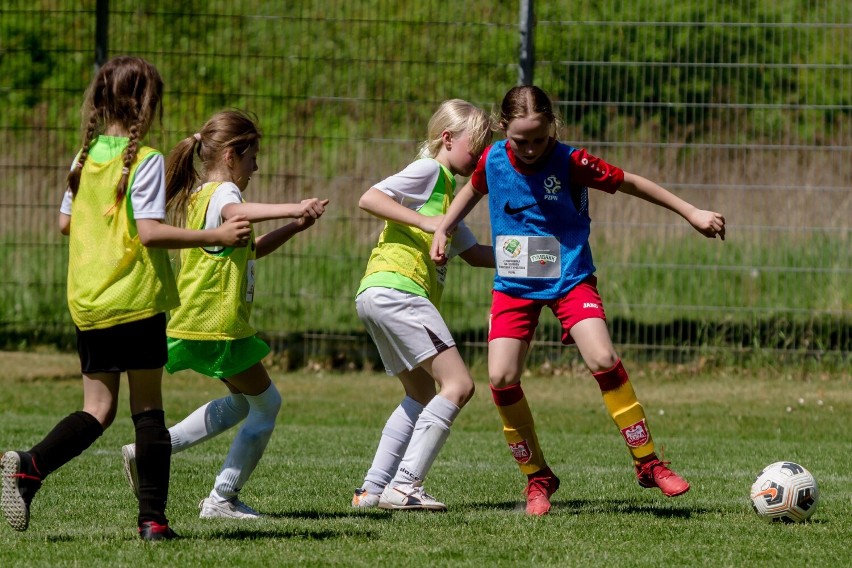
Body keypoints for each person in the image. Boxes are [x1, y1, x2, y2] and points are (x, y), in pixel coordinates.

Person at [431, 85, 726, 516]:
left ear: (553, 125)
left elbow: (633, 183)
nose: (531, 149)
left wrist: (691, 212)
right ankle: (538, 477)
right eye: (520, 140)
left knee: (603, 358)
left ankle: (648, 463)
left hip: (570, 277)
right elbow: (471, 191)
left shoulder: (571, 161)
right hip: (515, 283)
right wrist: (443, 227)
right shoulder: (493, 159)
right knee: (500, 377)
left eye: (539, 137)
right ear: (502, 130)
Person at [0, 56, 252, 540]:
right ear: (146, 103)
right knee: (148, 411)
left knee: (97, 409)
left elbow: (65, 223)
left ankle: (29, 467)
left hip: (90, 300)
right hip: (134, 299)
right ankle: (153, 520)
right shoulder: (145, 159)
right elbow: (152, 233)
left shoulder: (84, 158)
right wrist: (214, 234)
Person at [120, 109, 328, 520]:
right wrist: (293, 206)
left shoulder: (201, 196)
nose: (257, 165)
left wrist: (294, 227)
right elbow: (238, 216)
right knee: (267, 404)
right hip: (216, 322)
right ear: (232, 155)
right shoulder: (226, 195)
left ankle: (149, 447)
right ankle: (222, 499)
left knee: (241, 403)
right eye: (253, 156)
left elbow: (251, 248)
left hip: (198, 319)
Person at [351, 99, 494, 511]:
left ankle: (372, 490)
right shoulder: (430, 170)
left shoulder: (449, 193)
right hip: (400, 290)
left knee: (419, 393)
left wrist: (539, 258)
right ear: (447, 139)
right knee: (459, 386)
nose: (482, 154)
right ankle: (405, 486)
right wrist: (431, 223)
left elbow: (476, 254)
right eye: (477, 144)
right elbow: (369, 198)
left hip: (376, 293)